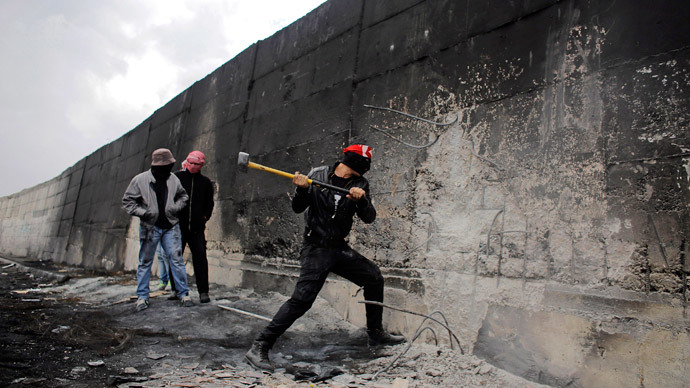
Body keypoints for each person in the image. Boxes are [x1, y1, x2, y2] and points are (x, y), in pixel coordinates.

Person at [245, 144, 405, 372]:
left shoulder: (360, 184)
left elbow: (369, 218)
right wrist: (301, 189)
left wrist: (362, 201)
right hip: (316, 247)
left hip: (338, 247)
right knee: (302, 300)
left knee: (374, 278)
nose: (366, 168)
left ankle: (375, 334)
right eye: (365, 163)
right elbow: (298, 207)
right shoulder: (317, 175)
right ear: (354, 161)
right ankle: (260, 346)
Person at [122, 148, 193, 311]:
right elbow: (128, 201)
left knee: (176, 260)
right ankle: (142, 297)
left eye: (170, 165)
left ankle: (183, 293)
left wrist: (175, 208)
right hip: (150, 227)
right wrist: (144, 213)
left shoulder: (174, 179)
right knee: (145, 262)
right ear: (157, 166)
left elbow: (183, 196)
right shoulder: (140, 180)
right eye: (166, 165)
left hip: (171, 226)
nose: (169, 168)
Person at [162, 151, 215, 303]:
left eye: (196, 164)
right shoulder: (176, 178)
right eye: (190, 163)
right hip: (178, 226)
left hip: (197, 228)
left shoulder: (205, 182)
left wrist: (205, 217)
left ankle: (203, 292)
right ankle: (175, 289)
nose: (192, 166)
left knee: (200, 258)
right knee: (175, 257)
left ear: (201, 165)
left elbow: (209, 203)